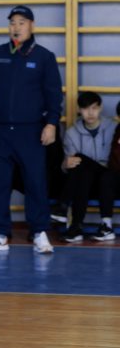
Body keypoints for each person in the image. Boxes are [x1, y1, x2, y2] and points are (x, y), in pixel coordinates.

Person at [0, 5, 61, 254]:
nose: (16, 27)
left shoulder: (44, 57)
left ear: (32, 25)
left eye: (22, 22)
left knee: (35, 182)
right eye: (13, 22)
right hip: (0, 131)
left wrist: (51, 123)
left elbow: (54, 95)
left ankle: (39, 232)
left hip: (31, 131)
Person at [59, 92, 118, 242]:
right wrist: (65, 164)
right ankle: (78, 227)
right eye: (85, 109)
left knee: (83, 161)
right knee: (83, 171)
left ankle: (64, 207)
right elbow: (70, 167)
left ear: (100, 108)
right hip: (85, 184)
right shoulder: (72, 133)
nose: (90, 113)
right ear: (79, 110)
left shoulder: (113, 128)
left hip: (109, 182)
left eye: (94, 108)